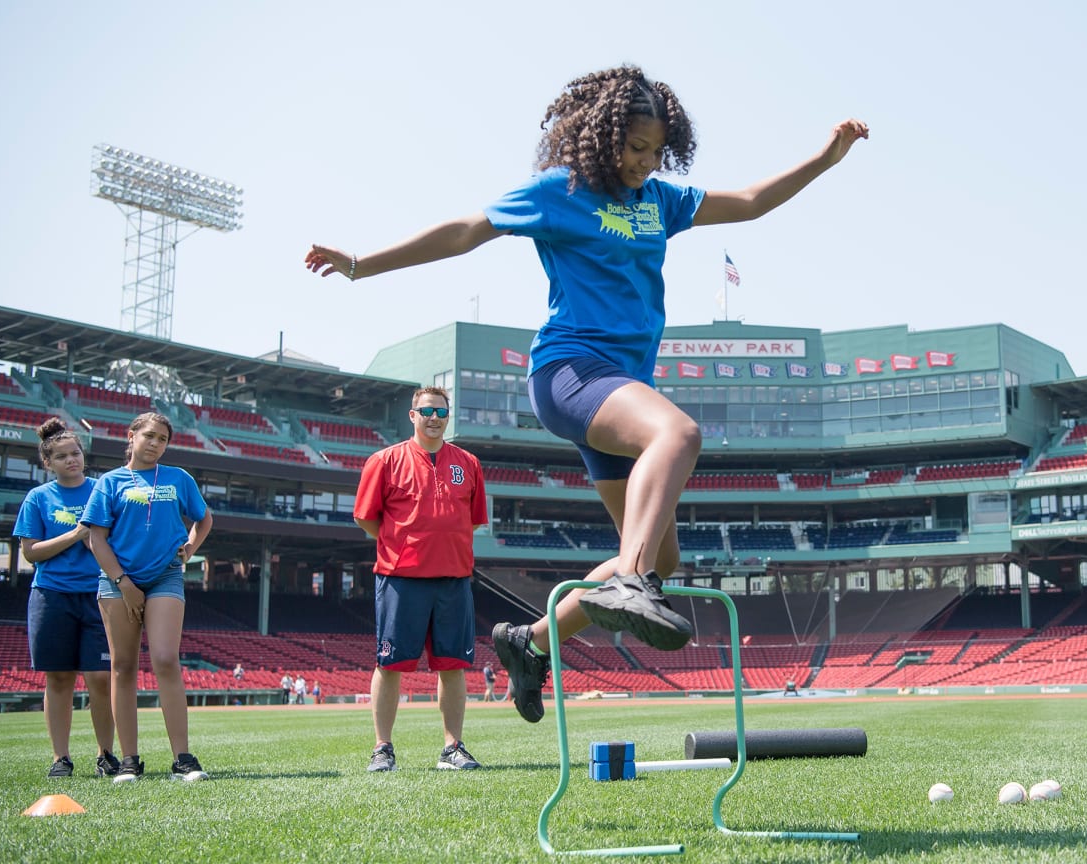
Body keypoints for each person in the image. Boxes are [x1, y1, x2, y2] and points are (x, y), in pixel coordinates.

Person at [305, 65, 869, 726]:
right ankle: (629, 581)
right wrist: (360, 264)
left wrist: (825, 159)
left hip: (622, 389)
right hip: (571, 372)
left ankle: (530, 644)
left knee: (661, 556)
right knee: (678, 436)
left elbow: (749, 201)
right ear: (603, 139)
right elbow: (466, 228)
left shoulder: (661, 201)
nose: (644, 162)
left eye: (657, 151)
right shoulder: (560, 193)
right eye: (634, 148)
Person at [353, 387, 488, 772]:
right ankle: (383, 748)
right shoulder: (384, 460)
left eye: (441, 411)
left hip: (453, 578)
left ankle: (453, 747)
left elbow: (475, 518)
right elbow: (366, 518)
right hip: (401, 576)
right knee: (391, 665)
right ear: (412, 415)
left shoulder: (469, 463)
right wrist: (404, 542)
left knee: (452, 666)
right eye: (426, 410)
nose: (434, 417)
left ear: (448, 416)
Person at [84, 412, 214, 782]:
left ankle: (183, 759)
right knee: (123, 667)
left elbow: (203, 518)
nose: (156, 443)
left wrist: (190, 547)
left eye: (163, 439)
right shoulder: (109, 483)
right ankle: (129, 760)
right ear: (132, 436)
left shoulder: (178, 479)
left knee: (165, 659)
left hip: (165, 578)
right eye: (150, 436)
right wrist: (123, 582)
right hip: (116, 582)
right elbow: (97, 538)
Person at [13, 418, 119, 778]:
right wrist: (77, 533)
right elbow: (31, 553)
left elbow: (115, 540)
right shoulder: (38, 498)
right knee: (58, 678)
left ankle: (106, 754)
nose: (71, 460)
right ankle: (61, 757)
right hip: (51, 595)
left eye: (75, 453)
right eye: (62, 456)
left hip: (99, 595)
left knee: (100, 679)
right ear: (49, 463)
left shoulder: (102, 491)